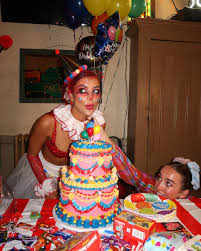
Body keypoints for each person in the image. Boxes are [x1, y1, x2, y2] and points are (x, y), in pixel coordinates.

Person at [6, 65, 105, 198]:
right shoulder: (48, 122)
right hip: (40, 175)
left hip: (75, 181)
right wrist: (45, 185)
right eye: (83, 91)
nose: (91, 98)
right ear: (71, 95)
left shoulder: (99, 124)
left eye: (96, 91)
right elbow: (32, 155)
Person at [98, 126, 201, 199]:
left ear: (183, 194)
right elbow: (130, 173)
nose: (159, 186)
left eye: (168, 183)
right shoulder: (150, 187)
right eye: (159, 178)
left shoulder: (192, 208)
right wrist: (107, 141)